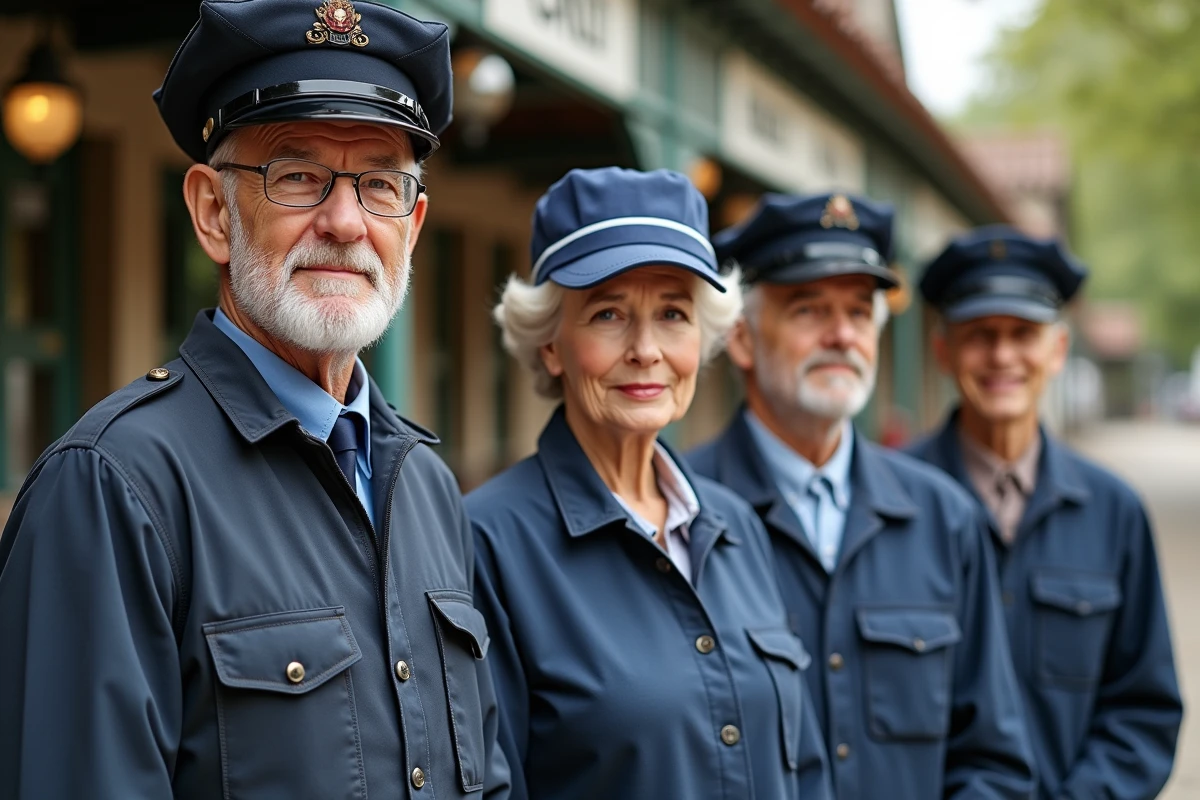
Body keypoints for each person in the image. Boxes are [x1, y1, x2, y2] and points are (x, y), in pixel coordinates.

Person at [0, 2, 510, 797]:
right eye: (298, 176)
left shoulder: (428, 488)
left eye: (379, 184)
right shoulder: (114, 488)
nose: (345, 222)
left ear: (411, 227)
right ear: (214, 213)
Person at [468, 167, 833, 800]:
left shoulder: (738, 526)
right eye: (608, 313)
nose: (645, 349)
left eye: (672, 313)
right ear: (551, 343)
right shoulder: (485, 543)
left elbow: (806, 769)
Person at [688, 193, 1035, 799]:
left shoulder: (944, 518)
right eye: (809, 309)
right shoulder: (681, 515)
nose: (843, 335)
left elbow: (994, 760)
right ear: (741, 337)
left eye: (858, 310)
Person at [907, 226, 1183, 800]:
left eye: (1023, 333)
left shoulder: (1114, 512)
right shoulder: (889, 505)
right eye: (980, 334)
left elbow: (1143, 710)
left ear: (1057, 350)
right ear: (942, 351)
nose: (1002, 355)